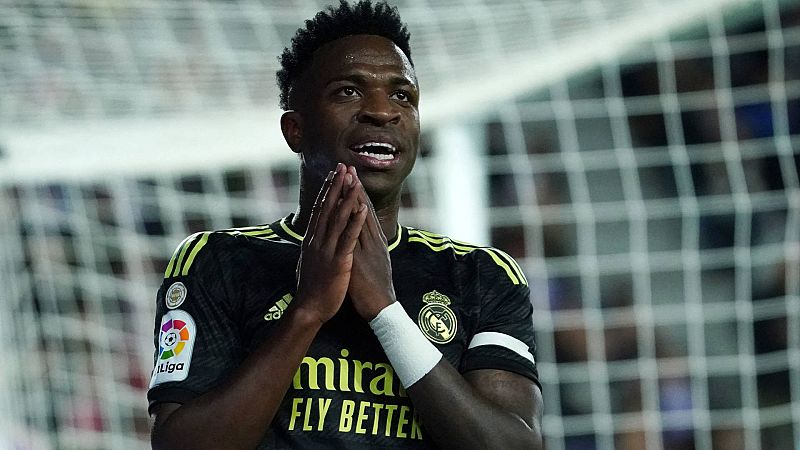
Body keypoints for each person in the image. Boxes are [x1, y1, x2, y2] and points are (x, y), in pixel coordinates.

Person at [147, 1, 543, 448]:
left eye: (402, 95)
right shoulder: (218, 261)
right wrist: (308, 310)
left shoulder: (482, 274)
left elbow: (515, 444)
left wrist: (387, 314)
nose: (382, 111)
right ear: (295, 130)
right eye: (348, 91)